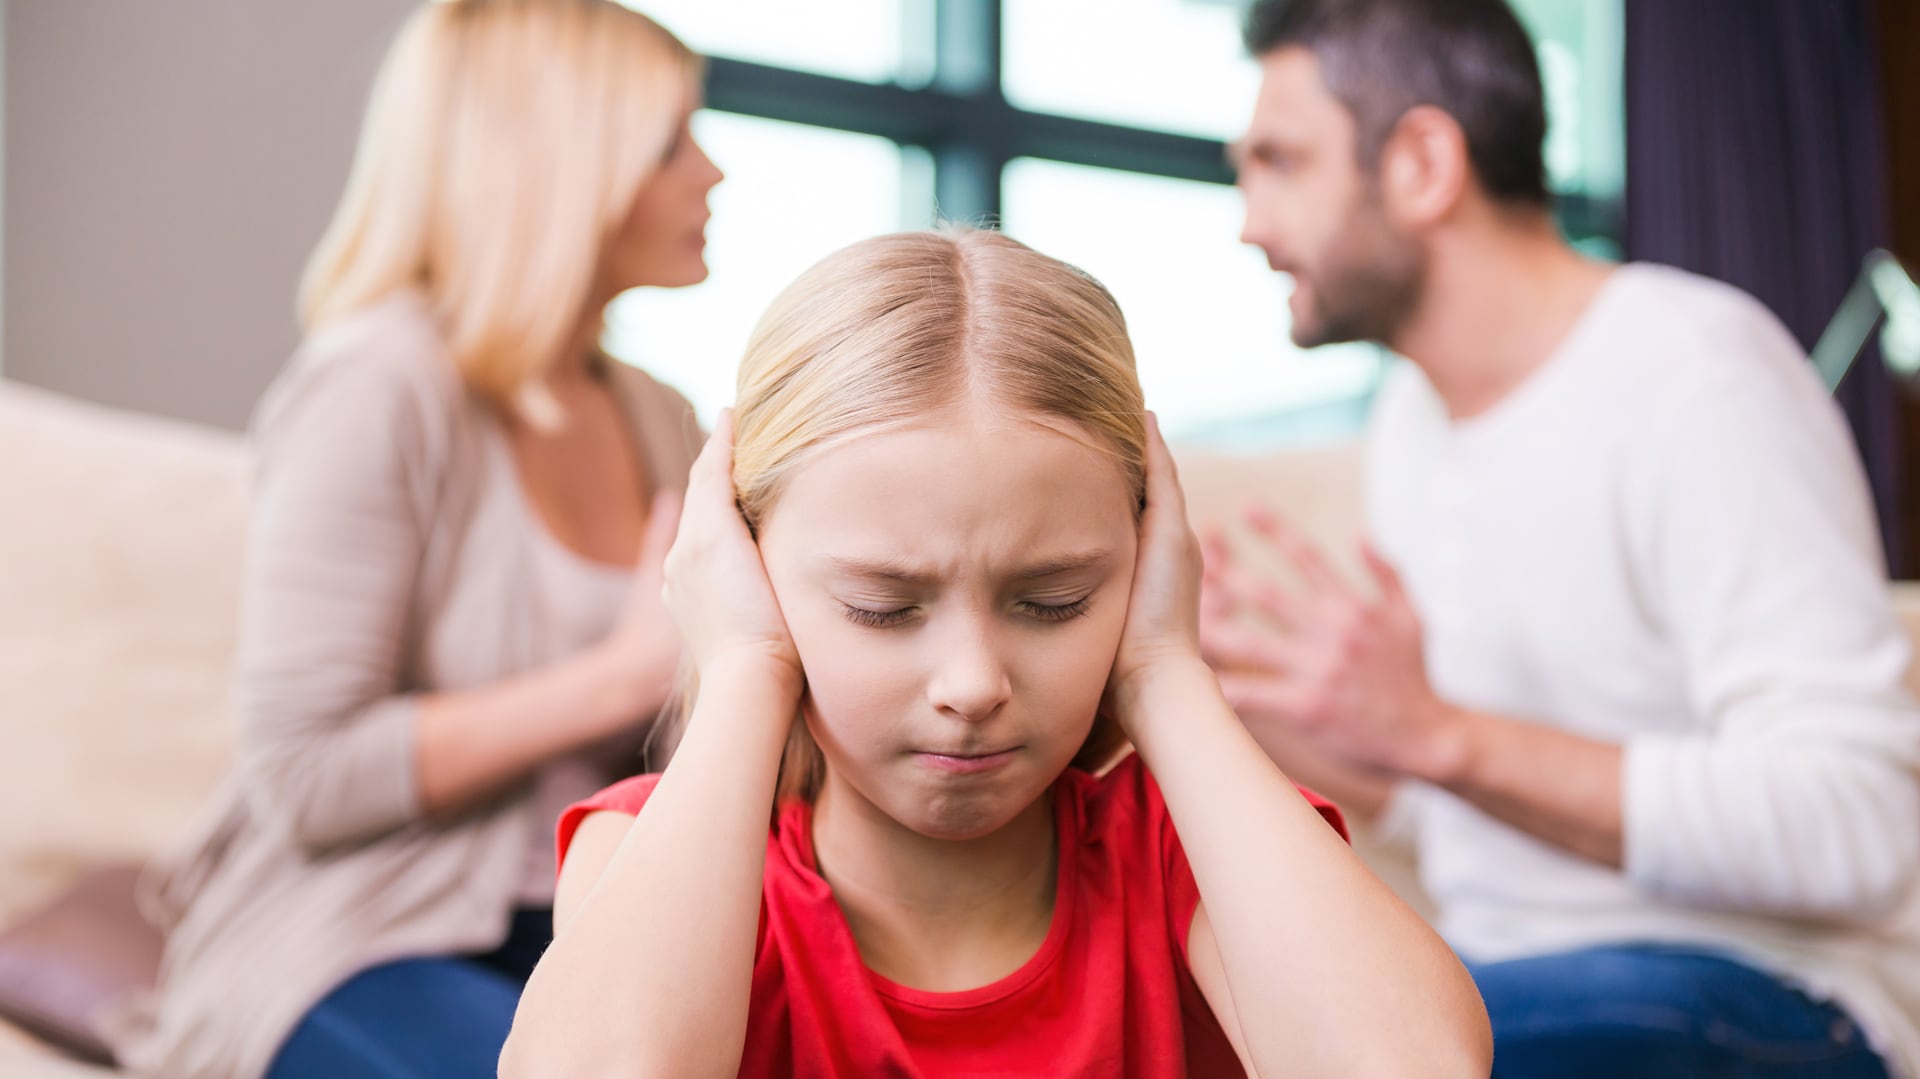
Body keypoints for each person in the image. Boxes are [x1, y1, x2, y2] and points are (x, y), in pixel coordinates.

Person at [497, 228, 1493, 1077]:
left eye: (1052, 600)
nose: (974, 683)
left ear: (1145, 564)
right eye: (884, 606)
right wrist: (744, 667)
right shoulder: (653, 853)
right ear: (747, 573)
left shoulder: (1189, 848)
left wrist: (1167, 674)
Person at [1204, 0, 1920, 1076]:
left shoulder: (1696, 370)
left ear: (1424, 162)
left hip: (1772, 987)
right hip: (1515, 977)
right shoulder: (1412, 417)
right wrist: (1300, 724)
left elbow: (1857, 824)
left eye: (1281, 162)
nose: (1250, 222)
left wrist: (1438, 730)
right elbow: (1474, 828)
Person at [112, 2, 723, 1076]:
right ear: (558, 161)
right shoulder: (377, 385)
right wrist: (620, 677)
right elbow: (306, 771)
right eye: (670, 140)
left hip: (596, 922)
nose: (712, 172)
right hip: (359, 935)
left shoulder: (663, 416)